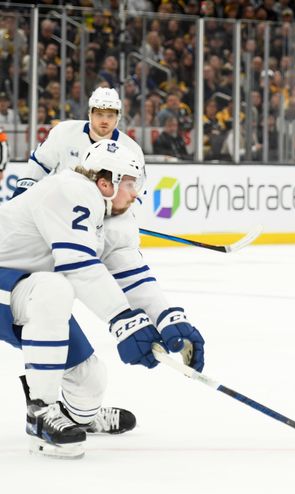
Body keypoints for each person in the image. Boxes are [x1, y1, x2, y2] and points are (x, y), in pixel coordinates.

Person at [0, 139, 205, 459]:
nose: (136, 193)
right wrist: (123, 321)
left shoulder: (115, 214)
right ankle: (40, 411)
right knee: (56, 289)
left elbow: (133, 275)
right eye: (131, 184)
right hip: (20, 284)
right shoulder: (69, 190)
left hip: (27, 293)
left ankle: (76, 415)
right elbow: (77, 264)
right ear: (105, 182)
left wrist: (168, 319)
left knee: (91, 381)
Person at [14, 87, 144, 197]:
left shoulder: (130, 149)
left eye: (110, 115)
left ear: (118, 117)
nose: (105, 120)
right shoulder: (64, 132)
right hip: (62, 206)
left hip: (107, 212)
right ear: (90, 114)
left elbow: (137, 188)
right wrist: (21, 194)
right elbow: (40, 163)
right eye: (99, 114)